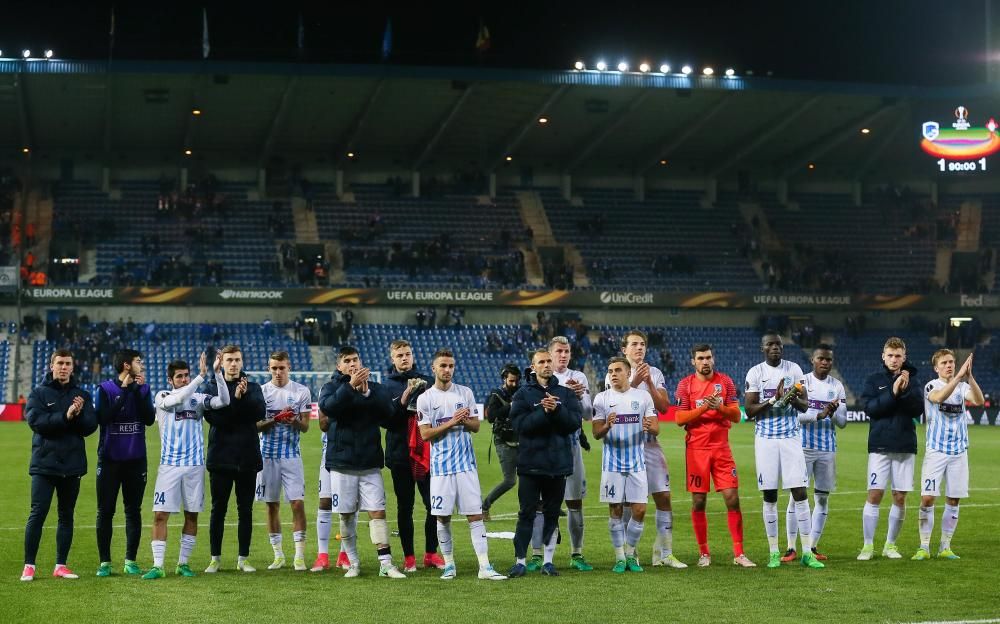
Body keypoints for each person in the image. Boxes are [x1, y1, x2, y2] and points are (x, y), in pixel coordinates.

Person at [417, 348, 507, 580]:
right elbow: (425, 435)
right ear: (434, 368)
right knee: (442, 517)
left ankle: (485, 567)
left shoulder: (465, 393)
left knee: (475, 515)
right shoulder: (425, 398)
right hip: (441, 469)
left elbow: (476, 426)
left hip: (466, 466)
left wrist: (464, 420)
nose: (448, 370)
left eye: (451, 366)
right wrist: (454, 422)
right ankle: (449, 565)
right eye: (443, 366)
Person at [318, 346, 405, 579]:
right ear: (339, 366)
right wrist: (350, 388)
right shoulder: (331, 388)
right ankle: (353, 562)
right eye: (347, 361)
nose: (353, 364)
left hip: (369, 461)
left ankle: (386, 563)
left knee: (378, 512)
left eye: (356, 359)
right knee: (346, 515)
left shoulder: (375, 388)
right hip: (341, 463)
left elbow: (388, 413)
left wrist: (366, 395)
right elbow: (329, 408)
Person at [142, 353, 229, 579]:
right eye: (179, 377)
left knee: (192, 515)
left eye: (185, 376)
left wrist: (217, 375)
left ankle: (183, 563)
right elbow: (176, 401)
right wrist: (200, 377)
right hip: (169, 466)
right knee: (160, 515)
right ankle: (158, 566)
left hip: (194, 467)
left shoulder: (198, 398)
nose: (183, 379)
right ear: (170, 380)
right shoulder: (162, 396)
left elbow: (224, 402)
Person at [744, 333, 825, 569]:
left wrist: (789, 398)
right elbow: (749, 410)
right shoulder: (755, 373)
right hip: (766, 440)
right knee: (769, 495)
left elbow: (805, 405)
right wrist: (773, 400)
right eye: (770, 344)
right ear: (763, 348)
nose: (775, 348)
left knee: (799, 492)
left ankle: (807, 552)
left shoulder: (795, 370)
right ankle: (773, 552)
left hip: (790, 438)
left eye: (778, 344)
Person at [673, 343, 756, 567]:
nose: (705, 362)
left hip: (721, 448)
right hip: (696, 450)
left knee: (732, 498)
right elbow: (679, 419)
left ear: (713, 359)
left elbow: (737, 416)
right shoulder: (685, 386)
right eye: (700, 358)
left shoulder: (725, 382)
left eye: (708, 357)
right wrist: (704, 408)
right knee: (699, 501)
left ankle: (739, 553)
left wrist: (719, 407)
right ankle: (704, 554)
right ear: (693, 362)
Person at [21, 349, 98, 581]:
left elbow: (90, 427)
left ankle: (60, 565)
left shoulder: (82, 395)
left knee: (66, 516)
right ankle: (29, 566)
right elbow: (37, 422)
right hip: (44, 465)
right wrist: (66, 416)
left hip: (72, 465)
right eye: (60, 363)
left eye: (68, 363)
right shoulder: (39, 394)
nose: (64, 367)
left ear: (73, 368)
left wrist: (79, 412)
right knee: (38, 514)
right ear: (51, 366)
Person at [611, 330, 684, 568]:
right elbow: (616, 402)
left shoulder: (655, 372)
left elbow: (664, 407)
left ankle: (664, 553)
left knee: (663, 496)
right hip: (626, 446)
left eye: (642, 344)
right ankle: (627, 554)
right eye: (634, 344)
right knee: (626, 503)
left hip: (650, 445)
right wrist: (634, 382)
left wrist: (649, 382)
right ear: (625, 349)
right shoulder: (614, 371)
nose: (639, 348)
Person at [506, 348, 581, 577]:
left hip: (557, 465)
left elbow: (574, 423)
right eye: (542, 361)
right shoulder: (522, 394)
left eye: (549, 361)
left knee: (551, 514)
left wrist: (556, 409)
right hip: (530, 464)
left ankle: (548, 561)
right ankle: (520, 561)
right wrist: (545, 413)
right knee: (526, 513)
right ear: (533, 366)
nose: (547, 365)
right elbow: (519, 426)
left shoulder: (566, 394)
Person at [858, 336, 923, 561]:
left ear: (904, 358)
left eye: (898, 356)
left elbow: (917, 410)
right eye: (890, 355)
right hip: (880, 445)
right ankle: (868, 546)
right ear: (883, 356)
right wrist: (893, 391)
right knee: (875, 494)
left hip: (905, 446)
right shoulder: (873, 380)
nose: (894, 360)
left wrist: (903, 390)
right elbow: (871, 408)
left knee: (900, 497)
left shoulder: (912, 380)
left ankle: (890, 545)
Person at [913, 349, 982, 560]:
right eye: (944, 363)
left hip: (959, 452)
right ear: (936, 368)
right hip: (936, 451)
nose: (949, 365)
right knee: (927, 498)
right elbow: (938, 398)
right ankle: (924, 546)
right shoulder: (931, 386)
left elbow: (978, 400)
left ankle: (945, 546)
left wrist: (969, 377)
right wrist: (959, 378)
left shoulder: (962, 387)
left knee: (953, 500)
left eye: (951, 362)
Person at [381, 339, 443, 572]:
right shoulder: (386, 386)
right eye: (399, 355)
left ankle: (431, 553)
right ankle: (409, 558)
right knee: (405, 507)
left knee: (432, 505)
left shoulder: (428, 382)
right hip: (399, 454)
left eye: (407, 354)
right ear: (392, 359)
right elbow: (385, 420)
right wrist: (405, 397)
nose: (404, 358)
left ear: (413, 356)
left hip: (426, 453)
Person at [782, 344, 847, 562]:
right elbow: (793, 416)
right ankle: (791, 547)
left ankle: (812, 547)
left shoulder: (837, 386)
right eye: (821, 358)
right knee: (796, 498)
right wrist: (819, 414)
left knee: (822, 499)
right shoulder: (802, 383)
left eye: (829, 359)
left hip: (827, 449)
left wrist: (833, 412)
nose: (825, 362)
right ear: (813, 360)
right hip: (802, 448)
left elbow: (843, 422)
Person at [204, 345, 266, 573]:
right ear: (222, 362)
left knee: (245, 510)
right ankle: (215, 558)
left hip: (247, 458)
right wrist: (236, 400)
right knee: (218, 509)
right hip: (220, 457)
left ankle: (243, 558)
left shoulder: (254, 387)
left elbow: (259, 413)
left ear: (242, 362)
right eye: (229, 360)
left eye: (237, 360)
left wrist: (242, 398)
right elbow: (217, 419)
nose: (233, 364)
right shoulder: (211, 387)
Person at [95, 349, 156, 577]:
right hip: (109, 460)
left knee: (133, 511)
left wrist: (137, 391)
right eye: (139, 361)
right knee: (105, 511)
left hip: (136, 460)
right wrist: (124, 391)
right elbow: (103, 418)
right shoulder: (105, 389)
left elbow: (149, 419)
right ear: (126, 365)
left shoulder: (144, 389)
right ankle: (105, 563)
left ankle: (130, 560)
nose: (142, 365)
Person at [592, 356, 657, 573]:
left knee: (639, 510)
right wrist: (607, 426)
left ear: (628, 373)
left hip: (637, 463)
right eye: (610, 370)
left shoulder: (643, 396)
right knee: (616, 510)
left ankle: (630, 553)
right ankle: (620, 557)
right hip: (612, 464)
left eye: (618, 370)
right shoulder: (601, 399)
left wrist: (650, 427)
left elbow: (656, 428)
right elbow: (595, 433)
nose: (613, 374)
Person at [257, 351, 313, 571]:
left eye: (282, 368)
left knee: (297, 503)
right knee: (272, 505)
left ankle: (299, 556)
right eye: (274, 368)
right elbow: (256, 426)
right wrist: (274, 419)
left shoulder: (301, 391)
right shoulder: (261, 392)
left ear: (289, 367)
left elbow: (306, 426)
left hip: (291, 456)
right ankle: (278, 555)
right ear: (268, 369)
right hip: (267, 456)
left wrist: (293, 421)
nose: (278, 372)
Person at [545, 336, 594, 571]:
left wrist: (580, 395)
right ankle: (543, 555)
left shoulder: (579, 377)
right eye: (559, 351)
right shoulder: (541, 375)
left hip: (572, 446)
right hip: (546, 447)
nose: (563, 355)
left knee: (575, 502)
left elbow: (587, 414)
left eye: (566, 351)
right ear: (550, 354)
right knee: (545, 503)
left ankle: (576, 553)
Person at [482, 364, 522, 519]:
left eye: (516, 381)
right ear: (504, 379)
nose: (513, 384)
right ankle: (485, 505)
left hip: (521, 439)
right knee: (510, 480)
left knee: (532, 474)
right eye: (511, 381)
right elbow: (491, 417)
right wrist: (511, 406)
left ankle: (539, 506)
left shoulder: (520, 392)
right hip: (504, 441)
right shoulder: (496, 394)